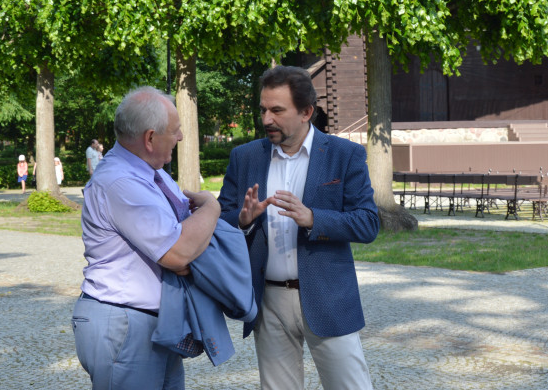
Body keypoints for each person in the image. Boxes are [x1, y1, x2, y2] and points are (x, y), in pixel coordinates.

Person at [217, 65, 380, 390]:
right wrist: (242, 220)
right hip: (268, 301)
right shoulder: (245, 157)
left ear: (306, 111)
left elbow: (368, 222)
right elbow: (220, 218)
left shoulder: (344, 155)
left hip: (327, 297)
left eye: (277, 110)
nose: (266, 119)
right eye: (263, 109)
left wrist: (313, 219)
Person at [73, 86, 220, 390]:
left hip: (153, 322)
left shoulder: (153, 173)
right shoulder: (120, 182)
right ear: (150, 138)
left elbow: (187, 244)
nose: (180, 138)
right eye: (175, 131)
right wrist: (212, 206)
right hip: (126, 325)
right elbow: (179, 254)